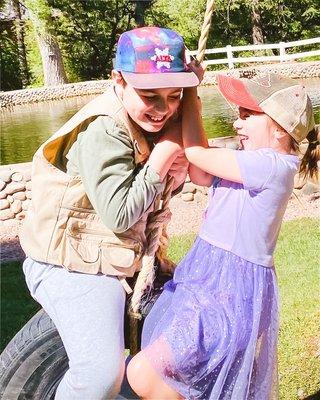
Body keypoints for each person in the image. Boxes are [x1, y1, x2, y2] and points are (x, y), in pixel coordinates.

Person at [19, 26, 199, 399]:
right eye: (149, 95)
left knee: (183, 337)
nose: (163, 109)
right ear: (118, 80)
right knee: (100, 373)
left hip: (113, 259)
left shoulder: (152, 119)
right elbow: (120, 215)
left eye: (174, 95)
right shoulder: (104, 128)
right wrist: (161, 161)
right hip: (71, 266)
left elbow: (178, 175)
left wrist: (192, 91)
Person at [127, 71, 319, 399]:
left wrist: (188, 94)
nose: (237, 123)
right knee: (169, 377)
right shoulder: (252, 160)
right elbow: (201, 173)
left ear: (278, 129)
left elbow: (199, 155)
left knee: (144, 373)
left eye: (247, 116)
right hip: (211, 283)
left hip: (229, 291)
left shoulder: (274, 166)